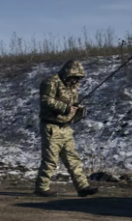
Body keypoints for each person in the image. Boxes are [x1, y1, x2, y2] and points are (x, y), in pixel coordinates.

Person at [34, 59, 99, 197]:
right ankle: (41, 188)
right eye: (74, 77)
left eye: (78, 78)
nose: (76, 81)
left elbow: (72, 104)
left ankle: (83, 187)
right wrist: (66, 108)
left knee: (73, 159)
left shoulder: (72, 87)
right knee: (50, 160)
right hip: (52, 127)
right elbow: (46, 101)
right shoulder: (50, 82)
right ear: (67, 74)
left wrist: (77, 110)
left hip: (66, 128)